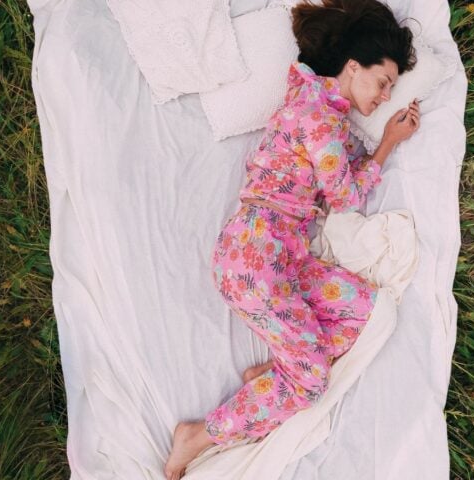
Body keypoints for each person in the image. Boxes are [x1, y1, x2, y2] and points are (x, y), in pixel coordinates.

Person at [164, 0, 420, 478]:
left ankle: (281, 374)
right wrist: (388, 142)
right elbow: (344, 194)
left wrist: (370, 147)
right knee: (311, 384)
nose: (385, 96)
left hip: (288, 258)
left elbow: (342, 176)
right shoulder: (318, 113)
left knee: (367, 310)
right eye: (383, 82)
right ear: (351, 67)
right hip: (254, 259)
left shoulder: (324, 110)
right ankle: (196, 435)